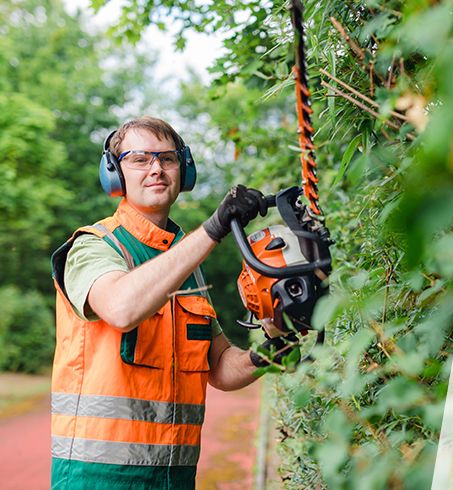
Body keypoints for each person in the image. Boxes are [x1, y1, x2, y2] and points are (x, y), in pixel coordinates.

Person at [49, 116, 283, 489]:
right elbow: (121, 308)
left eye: (167, 158)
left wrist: (273, 349)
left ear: (183, 170)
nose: (156, 168)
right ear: (114, 174)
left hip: (175, 478)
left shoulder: (184, 263)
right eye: (139, 159)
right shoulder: (93, 246)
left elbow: (220, 366)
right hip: (97, 479)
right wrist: (214, 228)